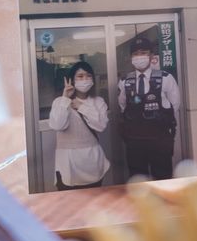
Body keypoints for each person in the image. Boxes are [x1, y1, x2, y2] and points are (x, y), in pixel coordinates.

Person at [118, 35, 181, 181]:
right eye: (136, 54)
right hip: (135, 142)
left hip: (160, 141)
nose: (139, 56)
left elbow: (174, 106)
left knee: (163, 179)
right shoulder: (124, 82)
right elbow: (123, 106)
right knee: (138, 181)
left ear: (151, 55)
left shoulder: (165, 78)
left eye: (143, 53)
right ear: (131, 58)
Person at [48, 61, 110, 190]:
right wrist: (65, 98)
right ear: (71, 80)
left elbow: (101, 126)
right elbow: (57, 125)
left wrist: (81, 107)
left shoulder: (98, 102)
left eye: (88, 76)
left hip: (93, 163)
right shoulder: (60, 102)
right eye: (80, 76)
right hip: (68, 166)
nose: (85, 79)